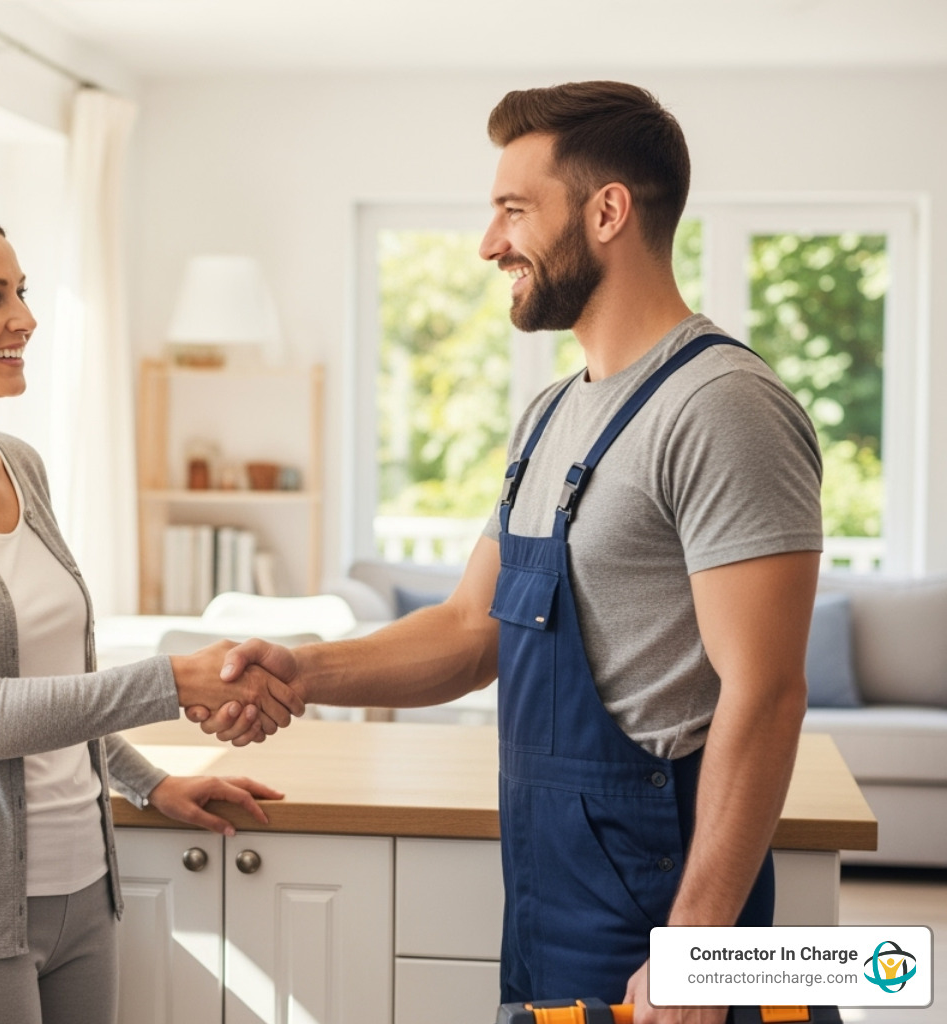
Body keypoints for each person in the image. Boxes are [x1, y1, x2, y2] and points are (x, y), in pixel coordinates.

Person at [195, 82, 822, 1023]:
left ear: (608, 211)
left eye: (514, 210)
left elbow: (765, 694)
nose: (491, 244)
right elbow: (467, 631)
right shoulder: (553, 413)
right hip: (545, 888)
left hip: (662, 905)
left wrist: (700, 948)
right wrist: (302, 668)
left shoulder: (720, 408)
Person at [0, 203, 302, 1024]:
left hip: (81, 890)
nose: (25, 319)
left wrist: (147, 783)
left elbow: (49, 679)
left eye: (23, 292)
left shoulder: (20, 466)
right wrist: (176, 682)